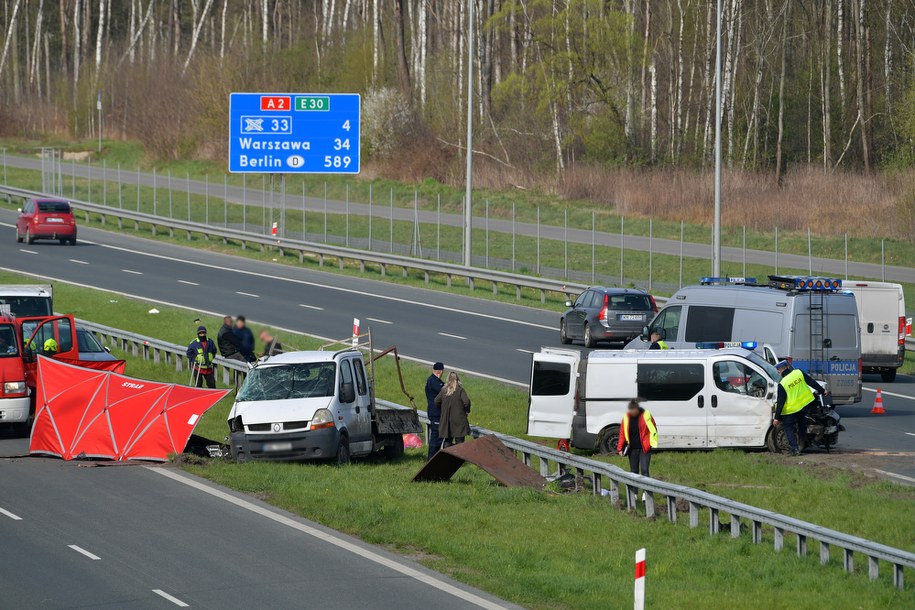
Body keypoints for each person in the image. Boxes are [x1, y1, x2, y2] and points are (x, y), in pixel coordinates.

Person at [774, 360, 826, 456]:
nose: (778, 373)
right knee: (802, 424)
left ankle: (795, 449)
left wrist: (777, 417)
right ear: (788, 368)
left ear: (781, 371)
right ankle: (802, 444)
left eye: (778, 371)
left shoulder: (782, 383)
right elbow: (812, 382)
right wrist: (822, 391)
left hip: (791, 409)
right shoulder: (798, 372)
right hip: (804, 405)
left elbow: (780, 402)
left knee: (788, 427)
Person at [617, 400, 658, 480]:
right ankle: (634, 492)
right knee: (634, 471)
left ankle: (646, 492)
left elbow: (653, 428)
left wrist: (651, 442)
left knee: (644, 470)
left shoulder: (646, 415)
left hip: (645, 448)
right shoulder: (626, 418)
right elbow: (622, 433)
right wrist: (620, 448)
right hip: (632, 449)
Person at [435, 371, 471, 448]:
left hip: (446, 420)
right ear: (457, 379)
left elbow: (436, 401)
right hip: (459, 420)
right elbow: (466, 402)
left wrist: (443, 408)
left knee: (447, 441)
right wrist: (466, 411)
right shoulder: (460, 390)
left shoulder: (444, 390)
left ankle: (447, 458)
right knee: (460, 443)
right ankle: (459, 459)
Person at [424, 362, 446, 459]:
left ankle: (433, 458)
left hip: (435, 412)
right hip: (436, 413)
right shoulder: (434, 382)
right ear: (441, 371)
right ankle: (431, 459)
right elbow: (444, 390)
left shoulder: (432, 380)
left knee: (437, 437)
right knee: (435, 438)